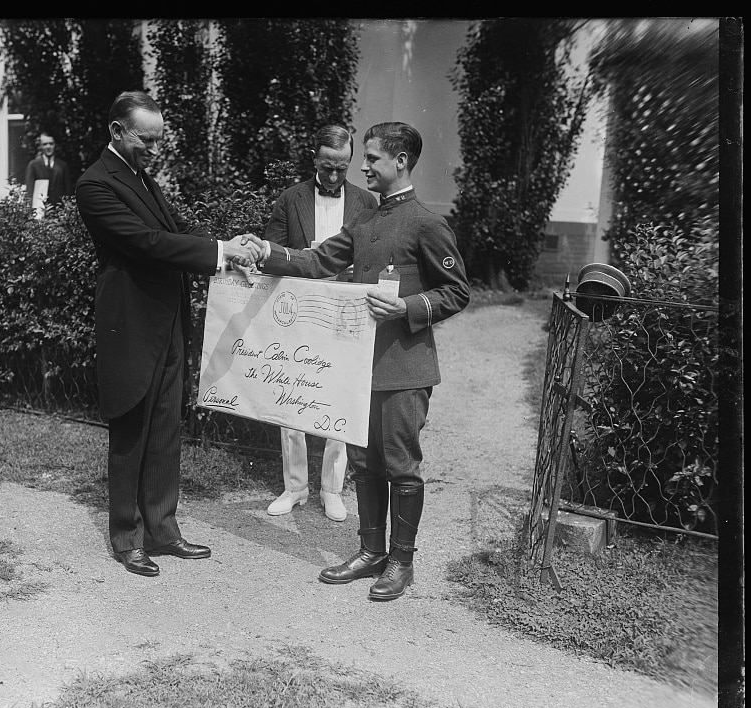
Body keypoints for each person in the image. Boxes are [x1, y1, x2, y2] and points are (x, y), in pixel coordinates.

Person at [247, 121, 470, 601]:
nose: (362, 166)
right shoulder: (364, 222)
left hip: (404, 369)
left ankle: (401, 562)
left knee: (400, 464)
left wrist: (409, 308)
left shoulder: (427, 223)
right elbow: (315, 261)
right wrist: (267, 250)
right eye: (363, 158)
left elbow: (457, 291)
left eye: (371, 158)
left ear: (401, 162)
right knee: (366, 462)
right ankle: (370, 552)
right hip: (359, 367)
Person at [74, 91, 263, 578]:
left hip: (169, 321)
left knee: (166, 427)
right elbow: (148, 244)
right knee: (132, 427)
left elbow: (176, 235)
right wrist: (222, 250)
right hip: (132, 326)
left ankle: (163, 529)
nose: (154, 149)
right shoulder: (95, 184)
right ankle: (126, 535)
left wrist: (231, 253)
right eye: (146, 138)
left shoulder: (142, 178)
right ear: (117, 130)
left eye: (159, 140)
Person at [263, 125, 378, 523]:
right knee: (291, 389)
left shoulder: (367, 201)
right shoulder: (290, 198)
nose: (332, 176)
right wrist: (304, 255)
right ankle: (294, 487)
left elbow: (373, 257)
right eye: (327, 167)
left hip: (346, 310)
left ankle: (332, 488)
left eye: (341, 168)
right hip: (299, 305)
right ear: (314, 158)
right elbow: (271, 251)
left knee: (340, 393)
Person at [24, 132, 72, 214]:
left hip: (59, 212)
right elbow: (29, 192)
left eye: (51, 144)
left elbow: (68, 192)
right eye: (45, 144)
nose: (48, 147)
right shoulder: (33, 165)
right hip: (40, 213)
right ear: (40, 147)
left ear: (55, 145)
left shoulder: (62, 166)